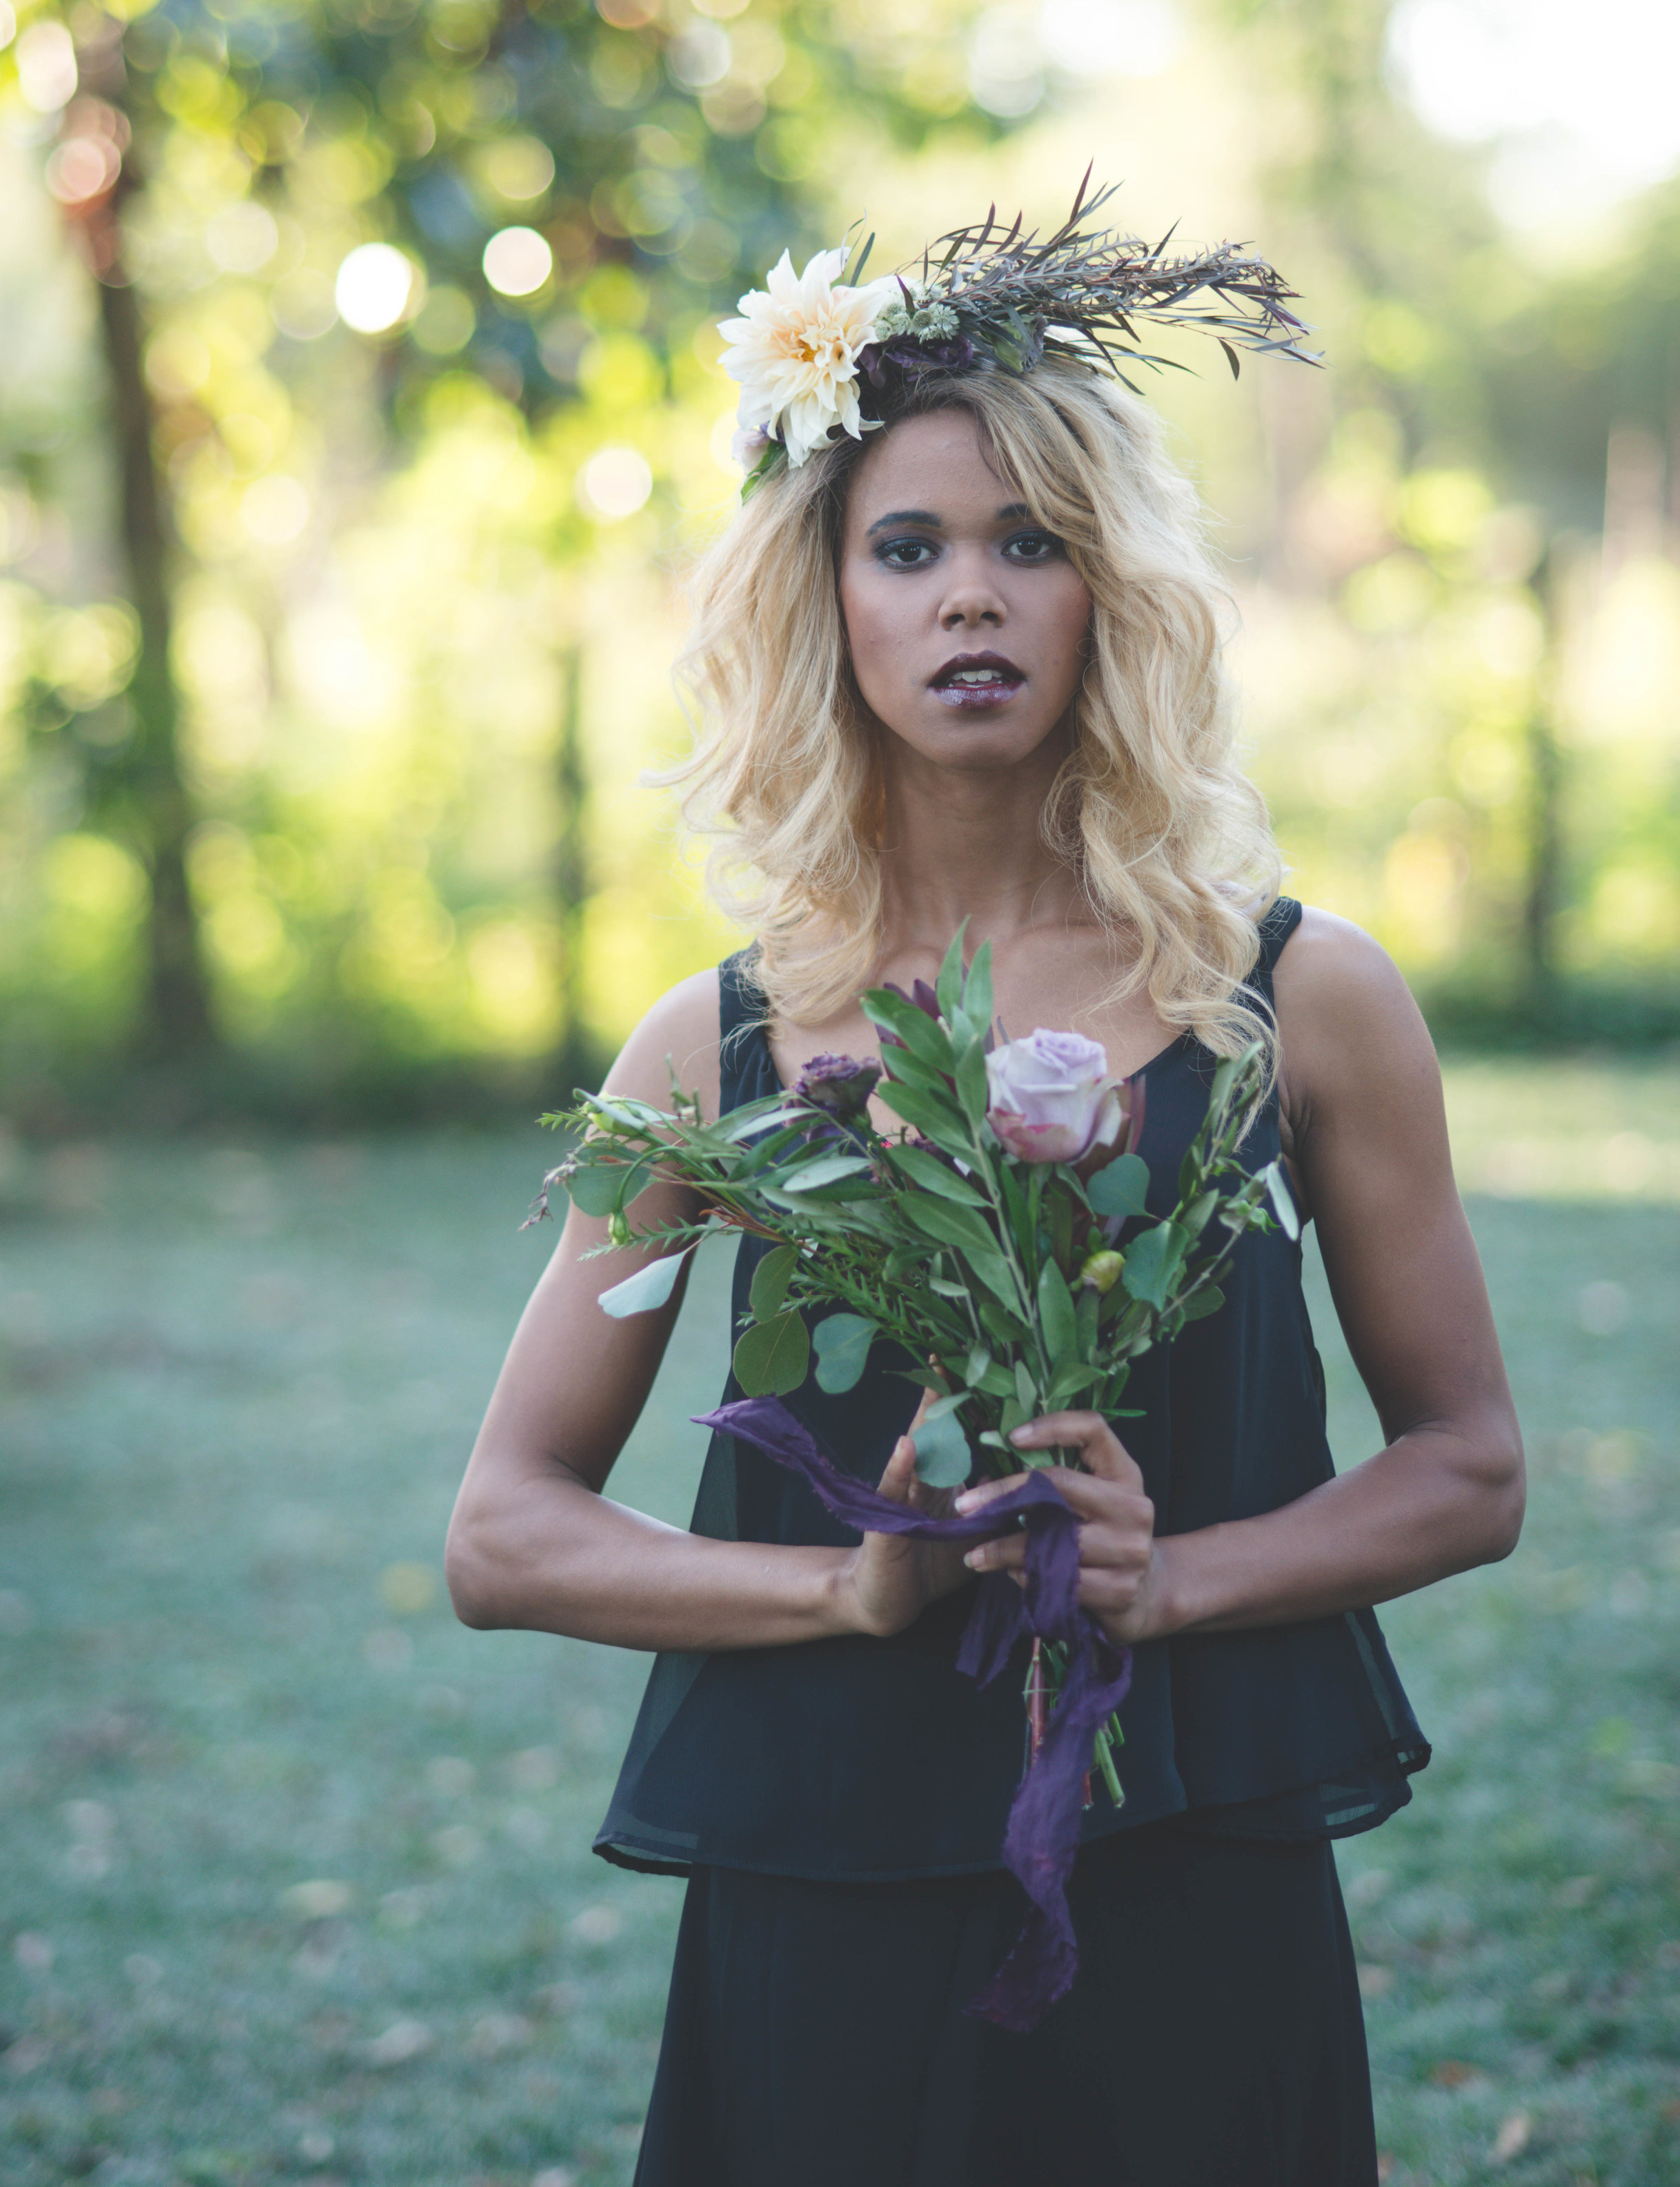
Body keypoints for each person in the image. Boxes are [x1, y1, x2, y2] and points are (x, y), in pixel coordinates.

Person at [445, 201, 1525, 2187]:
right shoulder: (714, 1049)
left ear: (1111, 593)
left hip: (1193, 1866)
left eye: (1030, 543)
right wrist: (848, 1584)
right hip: (821, 1878)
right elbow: (503, 1536)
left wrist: (1172, 1580)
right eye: (910, 545)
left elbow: (1466, 1468)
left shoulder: (1296, 998)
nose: (972, 598)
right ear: (824, 599)